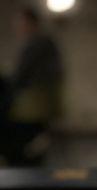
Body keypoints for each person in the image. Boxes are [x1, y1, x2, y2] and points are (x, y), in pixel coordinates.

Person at [4, 7, 63, 164]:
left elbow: (22, 74)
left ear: (30, 22)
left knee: (27, 143)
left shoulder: (37, 43)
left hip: (33, 102)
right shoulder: (42, 42)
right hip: (37, 102)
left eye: (20, 22)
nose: (17, 26)